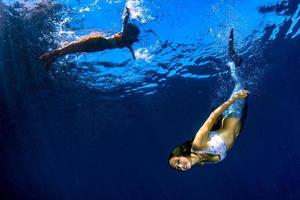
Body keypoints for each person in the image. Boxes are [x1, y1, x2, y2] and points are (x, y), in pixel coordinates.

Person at [169, 29, 249, 171]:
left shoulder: (197, 144)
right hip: (240, 125)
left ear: (181, 154)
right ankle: (233, 63)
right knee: (242, 86)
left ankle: (231, 62)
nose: (181, 166)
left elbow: (213, 117)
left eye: (178, 161)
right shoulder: (202, 162)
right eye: (178, 168)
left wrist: (235, 98)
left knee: (240, 84)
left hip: (233, 114)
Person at [39, 6, 140, 67]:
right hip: (98, 42)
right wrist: (128, 11)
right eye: (134, 35)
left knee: (73, 50)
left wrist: (135, 57)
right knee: (72, 48)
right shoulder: (124, 35)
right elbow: (125, 23)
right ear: (131, 33)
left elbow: (132, 51)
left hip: (99, 47)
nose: (133, 37)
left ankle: (51, 59)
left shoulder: (127, 43)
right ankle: (49, 56)